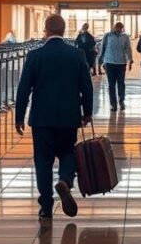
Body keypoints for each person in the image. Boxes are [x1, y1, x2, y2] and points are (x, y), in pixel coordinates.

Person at [15, 14, 93, 220]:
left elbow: (23, 89)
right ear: (64, 30)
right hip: (69, 116)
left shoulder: (35, 56)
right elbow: (87, 86)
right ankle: (65, 181)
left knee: (43, 160)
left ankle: (46, 205)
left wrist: (19, 117)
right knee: (67, 152)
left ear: (46, 30)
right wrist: (87, 112)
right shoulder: (77, 55)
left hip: (41, 118)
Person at [99, 22, 134, 112]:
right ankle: (113, 104)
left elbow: (128, 48)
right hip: (109, 63)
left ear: (122, 28)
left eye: (120, 28)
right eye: (117, 27)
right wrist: (100, 61)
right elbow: (102, 48)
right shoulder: (107, 36)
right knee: (111, 85)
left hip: (121, 63)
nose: (118, 29)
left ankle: (121, 101)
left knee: (121, 83)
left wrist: (130, 59)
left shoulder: (125, 37)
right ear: (113, 27)